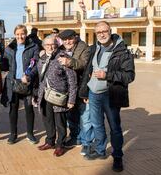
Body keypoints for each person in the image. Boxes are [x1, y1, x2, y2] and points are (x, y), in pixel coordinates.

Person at [79, 21, 135, 172]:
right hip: (93, 93)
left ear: (110, 31)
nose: (102, 34)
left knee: (115, 127)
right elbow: (87, 71)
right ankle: (100, 150)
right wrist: (85, 91)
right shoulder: (94, 48)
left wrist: (107, 75)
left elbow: (129, 76)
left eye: (105, 31)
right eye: (99, 32)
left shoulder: (122, 51)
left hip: (111, 94)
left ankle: (117, 157)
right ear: (96, 34)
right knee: (97, 124)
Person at [34, 35, 77, 157]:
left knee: (60, 122)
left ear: (57, 45)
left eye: (53, 44)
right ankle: (50, 141)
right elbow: (39, 78)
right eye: (47, 45)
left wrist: (71, 99)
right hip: (45, 95)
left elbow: (72, 80)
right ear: (43, 46)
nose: (50, 47)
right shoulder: (42, 58)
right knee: (48, 120)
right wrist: (36, 95)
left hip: (59, 96)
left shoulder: (63, 57)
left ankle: (60, 145)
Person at [1, 24, 39, 145]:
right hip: (13, 83)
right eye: (17, 34)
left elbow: (36, 64)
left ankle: (30, 133)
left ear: (26, 34)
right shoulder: (9, 48)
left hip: (27, 83)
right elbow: (5, 66)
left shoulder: (33, 47)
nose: (20, 36)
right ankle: (13, 134)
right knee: (13, 110)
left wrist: (29, 75)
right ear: (15, 35)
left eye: (22, 34)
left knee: (29, 109)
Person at [57, 29, 93, 156]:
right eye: (65, 39)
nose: (67, 41)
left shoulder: (84, 48)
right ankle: (74, 137)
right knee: (71, 116)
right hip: (68, 90)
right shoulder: (60, 49)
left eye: (70, 38)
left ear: (75, 37)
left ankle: (87, 143)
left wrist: (70, 62)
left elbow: (84, 64)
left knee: (85, 117)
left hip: (82, 87)